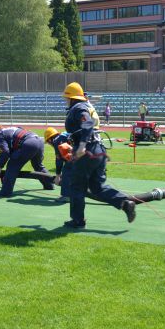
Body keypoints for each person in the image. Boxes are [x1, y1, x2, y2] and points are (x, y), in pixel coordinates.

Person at [62, 81, 136, 228]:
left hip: (87, 151)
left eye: (66, 98)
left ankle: (77, 220)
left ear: (71, 97)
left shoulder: (78, 108)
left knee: (76, 186)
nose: (65, 100)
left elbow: (88, 124)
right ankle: (124, 203)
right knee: (97, 187)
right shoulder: (85, 106)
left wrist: (81, 146)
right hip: (98, 149)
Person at [0, 122, 54, 197]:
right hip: (39, 141)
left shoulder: (0, 137)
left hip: (29, 143)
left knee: (12, 167)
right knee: (38, 165)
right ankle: (49, 185)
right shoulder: (10, 129)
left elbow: (5, 152)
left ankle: (6, 192)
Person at [44, 126, 72, 203]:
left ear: (50, 139)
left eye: (48, 142)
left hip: (81, 156)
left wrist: (58, 176)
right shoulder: (63, 136)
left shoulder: (57, 141)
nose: (50, 144)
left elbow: (59, 160)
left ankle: (66, 196)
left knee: (66, 171)